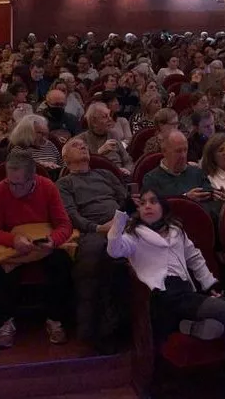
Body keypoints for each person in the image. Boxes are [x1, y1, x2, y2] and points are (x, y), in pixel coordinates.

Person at [108, 189, 225, 397]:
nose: (147, 206)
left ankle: (192, 326)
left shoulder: (176, 232)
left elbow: (195, 258)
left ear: (163, 207)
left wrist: (210, 285)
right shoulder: (133, 236)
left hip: (186, 291)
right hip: (163, 295)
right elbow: (113, 249)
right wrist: (122, 213)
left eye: (153, 201)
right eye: (142, 203)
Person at [0, 150, 74, 348]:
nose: (13, 188)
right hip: (15, 245)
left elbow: (64, 225)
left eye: (18, 184)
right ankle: (5, 322)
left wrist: (53, 240)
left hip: (43, 242)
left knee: (61, 262)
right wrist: (13, 240)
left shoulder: (48, 187)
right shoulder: (0, 190)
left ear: (32, 179)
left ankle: (55, 319)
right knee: (2, 268)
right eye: (10, 182)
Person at [57, 139, 130, 351]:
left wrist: (123, 221)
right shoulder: (64, 184)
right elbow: (71, 214)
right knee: (95, 259)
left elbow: (125, 199)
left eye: (83, 144)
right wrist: (99, 228)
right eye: (75, 145)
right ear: (65, 159)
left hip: (122, 224)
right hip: (93, 230)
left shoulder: (105, 175)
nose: (82, 146)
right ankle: (98, 332)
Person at [143, 130, 218, 214]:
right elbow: (155, 210)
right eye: (178, 151)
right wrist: (185, 198)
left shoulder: (197, 173)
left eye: (185, 150)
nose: (183, 155)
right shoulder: (151, 179)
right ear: (164, 152)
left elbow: (210, 201)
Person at [75, 102, 133, 172]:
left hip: (120, 175)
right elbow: (81, 167)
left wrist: (127, 170)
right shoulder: (81, 140)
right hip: (98, 178)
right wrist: (100, 152)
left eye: (109, 115)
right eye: (105, 117)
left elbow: (127, 160)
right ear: (94, 122)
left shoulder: (113, 134)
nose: (110, 119)